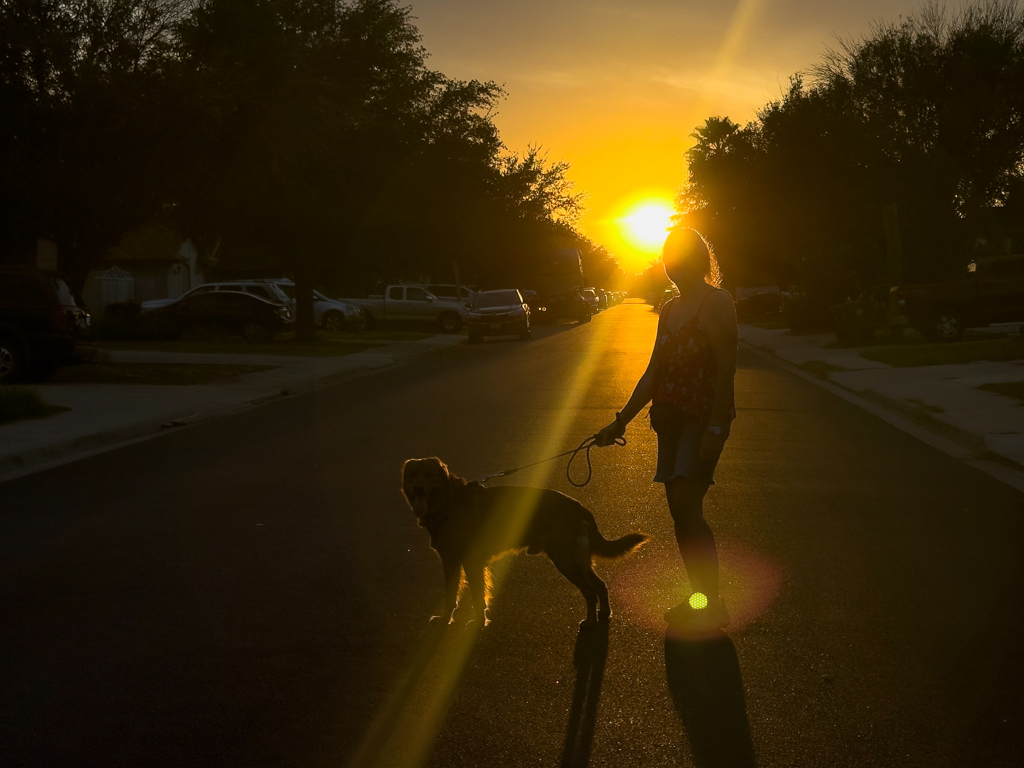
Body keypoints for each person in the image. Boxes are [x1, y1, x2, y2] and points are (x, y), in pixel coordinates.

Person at [596, 228, 737, 632]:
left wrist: (715, 427)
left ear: (696, 259)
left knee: (688, 507)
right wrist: (619, 421)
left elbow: (727, 366)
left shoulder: (717, 302)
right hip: (671, 420)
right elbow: (653, 373)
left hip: (702, 418)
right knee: (679, 510)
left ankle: (710, 603)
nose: (669, 264)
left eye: (676, 257)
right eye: (665, 257)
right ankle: (699, 599)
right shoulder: (670, 309)